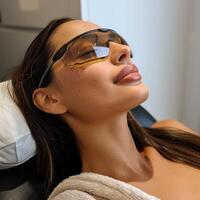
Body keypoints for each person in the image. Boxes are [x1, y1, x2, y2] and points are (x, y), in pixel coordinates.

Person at [11, 17, 200, 200]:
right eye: (88, 52)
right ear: (50, 99)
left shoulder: (174, 134)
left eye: (118, 41)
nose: (125, 50)